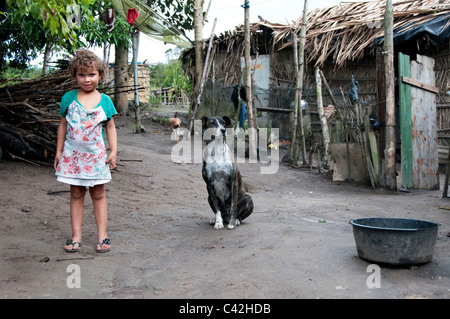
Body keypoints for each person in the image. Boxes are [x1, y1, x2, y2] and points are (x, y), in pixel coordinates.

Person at [54, 49, 117, 253]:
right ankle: (76, 236)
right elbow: (63, 126)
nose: (87, 79)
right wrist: (59, 151)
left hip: (96, 158)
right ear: (75, 76)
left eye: (91, 74)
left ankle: (102, 236)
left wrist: (113, 151)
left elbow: (110, 127)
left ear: (100, 75)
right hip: (73, 158)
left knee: (98, 194)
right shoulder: (68, 99)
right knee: (76, 194)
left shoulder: (105, 100)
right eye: (82, 74)